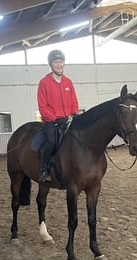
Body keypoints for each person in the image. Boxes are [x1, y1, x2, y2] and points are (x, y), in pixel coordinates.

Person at [37, 49, 79, 182]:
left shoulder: (68, 82)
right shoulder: (44, 82)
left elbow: (74, 101)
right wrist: (55, 118)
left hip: (68, 120)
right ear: (51, 64)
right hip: (52, 122)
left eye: (61, 62)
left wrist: (73, 114)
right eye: (56, 62)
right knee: (51, 142)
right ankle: (44, 170)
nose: (59, 65)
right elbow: (42, 106)